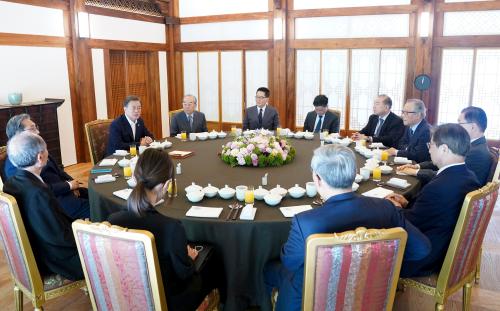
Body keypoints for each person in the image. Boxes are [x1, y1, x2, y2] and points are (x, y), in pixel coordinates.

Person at [264, 145, 431, 311]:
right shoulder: (387, 208)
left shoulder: (306, 222)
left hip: (314, 301)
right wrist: (379, 263)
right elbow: (422, 249)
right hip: (372, 294)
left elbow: (290, 263)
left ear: (317, 178)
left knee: (270, 268)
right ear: (354, 173)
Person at [108, 149, 224, 311]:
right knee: (212, 258)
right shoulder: (172, 228)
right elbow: (185, 275)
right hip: (169, 301)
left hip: (128, 296)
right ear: (166, 185)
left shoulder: (113, 221)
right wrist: (189, 258)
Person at [386, 124, 480, 276]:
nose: (429, 150)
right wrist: (406, 203)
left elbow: (410, 223)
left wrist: (395, 207)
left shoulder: (439, 187)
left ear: (443, 149)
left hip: (426, 255)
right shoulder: (468, 176)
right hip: (443, 242)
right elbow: (435, 211)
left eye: (431, 145)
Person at [3, 132, 83, 281]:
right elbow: (59, 238)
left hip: (40, 249)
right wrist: (85, 235)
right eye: (46, 150)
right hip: (57, 259)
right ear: (40, 158)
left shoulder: (12, 182)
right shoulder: (38, 192)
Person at [3, 114, 89, 219]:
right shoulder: (16, 162)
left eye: (36, 127)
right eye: (32, 129)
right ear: (19, 135)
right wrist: (68, 186)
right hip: (55, 203)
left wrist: (73, 184)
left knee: (96, 197)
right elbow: (36, 191)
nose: (38, 132)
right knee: (100, 210)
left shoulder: (38, 148)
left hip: (65, 192)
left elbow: (59, 172)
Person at [397, 106, 492, 186]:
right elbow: (443, 160)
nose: (457, 127)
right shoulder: (472, 145)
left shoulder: (477, 152)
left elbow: (449, 175)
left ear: (473, 127)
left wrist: (415, 172)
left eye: (460, 123)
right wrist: (417, 166)